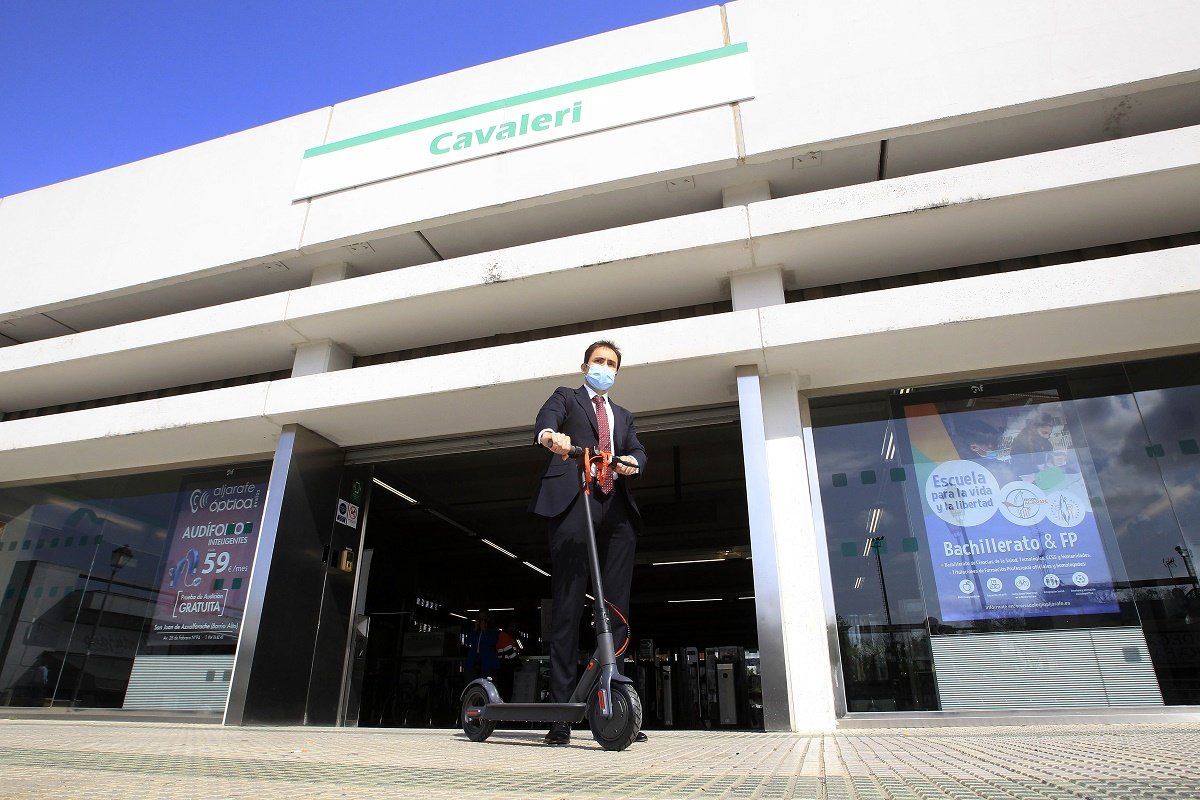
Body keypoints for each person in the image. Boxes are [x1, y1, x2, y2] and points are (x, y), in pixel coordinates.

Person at [531, 340, 648, 746]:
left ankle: (613, 706)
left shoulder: (624, 416)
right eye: (599, 361)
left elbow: (638, 451)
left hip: (616, 509)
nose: (605, 368)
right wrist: (551, 437)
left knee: (616, 613)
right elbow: (546, 421)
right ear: (585, 367)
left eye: (611, 363)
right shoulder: (567, 398)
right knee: (567, 607)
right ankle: (561, 714)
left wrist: (633, 462)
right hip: (574, 500)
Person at [463, 611, 500, 683]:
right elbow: (467, 641)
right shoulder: (475, 631)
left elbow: (492, 642)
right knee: (472, 683)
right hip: (473, 662)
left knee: (486, 684)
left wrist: (485, 631)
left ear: (488, 619)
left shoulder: (493, 630)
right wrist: (475, 629)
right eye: (480, 618)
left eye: (483, 618)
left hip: (487, 663)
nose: (481, 620)